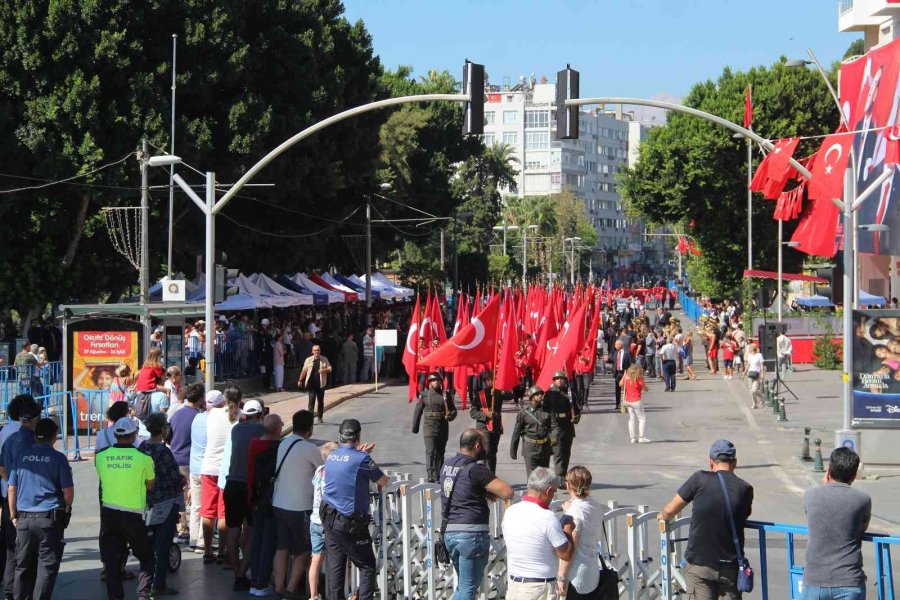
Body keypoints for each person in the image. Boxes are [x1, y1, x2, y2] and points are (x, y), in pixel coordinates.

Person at [658, 440, 754, 600]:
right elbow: (743, 516)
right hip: (729, 566)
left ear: (711, 462)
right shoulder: (745, 488)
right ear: (735, 462)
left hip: (700, 564)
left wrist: (662, 516)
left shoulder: (699, 479)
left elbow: (669, 510)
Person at [439, 429, 514, 600]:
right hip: (471, 534)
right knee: (468, 589)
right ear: (477, 446)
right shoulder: (476, 469)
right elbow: (507, 492)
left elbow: (462, 489)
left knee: (463, 586)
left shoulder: (447, 465)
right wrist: (487, 489)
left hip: (451, 532)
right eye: (484, 445)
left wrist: (482, 490)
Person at [321, 418, 389, 600]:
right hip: (349, 522)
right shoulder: (362, 459)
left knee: (336, 567)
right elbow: (382, 480)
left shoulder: (332, 455)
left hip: (329, 517)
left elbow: (347, 462)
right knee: (367, 566)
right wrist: (366, 458)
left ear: (340, 437)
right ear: (358, 437)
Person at [7, 418, 72, 600]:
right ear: (54, 437)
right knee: (47, 568)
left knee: (23, 566)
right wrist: (66, 509)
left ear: (35, 436)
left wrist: (13, 515)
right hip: (49, 519)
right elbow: (68, 493)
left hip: (24, 520)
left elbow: (12, 488)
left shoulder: (21, 457)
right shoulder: (58, 458)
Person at [96, 417, 156, 600]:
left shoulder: (100, 456)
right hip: (134, 516)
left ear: (115, 435)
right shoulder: (145, 459)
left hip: (109, 516)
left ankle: (115, 597)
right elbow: (151, 486)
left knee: (112, 561)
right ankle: (144, 595)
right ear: (134, 435)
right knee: (146, 556)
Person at [802, 447, 871, 600]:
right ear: (853, 476)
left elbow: (813, 519)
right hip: (849, 581)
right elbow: (863, 527)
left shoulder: (810, 496)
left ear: (829, 470)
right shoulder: (863, 499)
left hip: (815, 580)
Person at [272, 410, 323, 599]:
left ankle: (278, 588)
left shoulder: (283, 443)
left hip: (278, 503)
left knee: (282, 547)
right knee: (302, 551)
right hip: (299, 507)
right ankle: (291, 589)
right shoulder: (310, 449)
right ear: (310, 428)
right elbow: (323, 471)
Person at [501, 467, 574, 600]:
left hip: (514, 586)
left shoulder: (510, 512)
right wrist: (568, 527)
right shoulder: (547, 517)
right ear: (548, 491)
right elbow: (566, 554)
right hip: (539, 587)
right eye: (553, 493)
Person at [139, 413, 185, 596]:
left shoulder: (142, 447)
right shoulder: (163, 451)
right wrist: (181, 480)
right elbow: (171, 478)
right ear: (163, 429)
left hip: (147, 503)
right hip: (165, 503)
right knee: (163, 544)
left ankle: (147, 582)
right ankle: (159, 583)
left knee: (150, 544)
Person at [0, 396, 40, 598]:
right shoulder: (27, 439)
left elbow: (2, 468)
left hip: (7, 495)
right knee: (24, 553)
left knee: (11, 551)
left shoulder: (7, 435)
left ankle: (9, 591)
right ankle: (20, 592)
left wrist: (8, 485)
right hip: (23, 501)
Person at [224, 398, 266, 590]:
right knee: (253, 532)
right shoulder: (260, 430)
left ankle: (237, 575)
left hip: (231, 484)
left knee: (233, 533)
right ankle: (243, 571)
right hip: (250, 487)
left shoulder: (236, 429)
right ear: (259, 415)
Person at [247, 413, 284, 597]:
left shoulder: (254, 444)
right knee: (269, 541)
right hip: (271, 499)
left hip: (255, 496)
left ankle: (255, 580)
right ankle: (262, 582)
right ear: (277, 429)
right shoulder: (279, 447)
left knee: (256, 540)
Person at [557, 466, 605, 600]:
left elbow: (570, 548)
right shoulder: (594, 505)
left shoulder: (575, 511)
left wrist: (561, 576)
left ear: (568, 485)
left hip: (576, 574)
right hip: (593, 569)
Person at [200, 388, 234, 563]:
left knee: (208, 511)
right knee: (223, 513)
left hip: (208, 468)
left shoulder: (208, 416)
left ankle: (207, 550)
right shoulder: (234, 414)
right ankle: (222, 550)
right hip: (225, 470)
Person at [168, 383, 204, 543]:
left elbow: (169, 435)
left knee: (179, 495)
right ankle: (189, 529)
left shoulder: (177, 414)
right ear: (200, 399)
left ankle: (181, 527)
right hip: (189, 460)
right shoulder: (198, 417)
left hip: (175, 457)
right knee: (193, 497)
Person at [412, 372, 458, 483]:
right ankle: (430, 473)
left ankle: (438, 474)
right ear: (429, 383)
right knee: (430, 451)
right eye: (433, 380)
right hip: (429, 426)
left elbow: (453, 411)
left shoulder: (445, 395)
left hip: (442, 426)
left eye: (438, 380)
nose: (436, 382)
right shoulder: (424, 395)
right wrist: (415, 427)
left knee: (440, 452)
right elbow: (417, 411)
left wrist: (450, 415)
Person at [308, 441, 340, 600]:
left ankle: (313, 595)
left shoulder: (319, 470)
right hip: (328, 521)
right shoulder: (333, 474)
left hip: (315, 520)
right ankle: (337, 592)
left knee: (316, 559)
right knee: (337, 559)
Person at [468, 370, 510, 473]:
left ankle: (491, 474)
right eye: (489, 379)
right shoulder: (479, 395)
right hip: (483, 426)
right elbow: (473, 413)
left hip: (496, 426)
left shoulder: (498, 393)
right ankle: (486, 476)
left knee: (493, 452)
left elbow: (511, 395)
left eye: (493, 379)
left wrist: (501, 391)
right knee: (486, 451)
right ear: (485, 381)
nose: (492, 381)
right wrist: (485, 415)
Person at [510, 387, 556, 478]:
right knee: (532, 477)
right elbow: (516, 433)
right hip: (530, 449)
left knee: (544, 477)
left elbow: (554, 428)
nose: (540, 396)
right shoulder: (524, 413)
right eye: (537, 394)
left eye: (541, 394)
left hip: (544, 448)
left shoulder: (548, 411)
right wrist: (513, 450)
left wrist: (554, 442)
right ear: (531, 397)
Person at [542, 371, 579, 484]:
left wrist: (576, 417)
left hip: (567, 426)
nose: (559, 380)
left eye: (561, 378)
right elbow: (544, 411)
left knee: (566, 453)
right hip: (555, 426)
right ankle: (559, 477)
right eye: (557, 379)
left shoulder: (570, 393)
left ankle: (563, 474)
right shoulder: (549, 394)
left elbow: (576, 409)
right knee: (558, 453)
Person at [188, 391, 212, 553]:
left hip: (194, 467)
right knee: (206, 506)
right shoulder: (212, 421)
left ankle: (193, 538)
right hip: (205, 469)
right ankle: (202, 542)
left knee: (196, 506)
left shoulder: (197, 418)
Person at [299, 344, 333, 424]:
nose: (317, 352)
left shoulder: (324, 359)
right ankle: (310, 419)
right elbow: (304, 370)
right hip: (311, 385)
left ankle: (320, 417)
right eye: (315, 350)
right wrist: (300, 380)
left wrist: (324, 370)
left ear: (320, 351)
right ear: (312, 351)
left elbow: (330, 368)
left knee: (320, 402)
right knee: (311, 402)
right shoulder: (308, 360)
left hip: (321, 384)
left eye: (318, 350)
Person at [622, 362, 650, 443]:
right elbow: (646, 389)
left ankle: (632, 438)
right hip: (636, 400)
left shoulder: (626, 377)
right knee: (642, 418)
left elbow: (620, 384)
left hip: (627, 400)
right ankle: (641, 437)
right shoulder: (639, 378)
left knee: (631, 418)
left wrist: (624, 377)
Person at [612, 339, 634, 410]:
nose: (615, 346)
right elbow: (614, 361)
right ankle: (617, 404)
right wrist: (607, 359)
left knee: (626, 389)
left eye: (616, 344)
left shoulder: (627, 353)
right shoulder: (616, 353)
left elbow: (631, 364)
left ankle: (627, 404)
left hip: (625, 373)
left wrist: (629, 373)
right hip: (618, 373)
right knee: (617, 389)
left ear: (620, 345)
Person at [745, 343, 765, 409]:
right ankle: (755, 404)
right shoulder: (749, 356)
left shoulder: (759, 355)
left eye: (750, 348)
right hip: (750, 374)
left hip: (757, 374)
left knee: (754, 390)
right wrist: (744, 373)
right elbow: (748, 365)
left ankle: (762, 398)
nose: (749, 349)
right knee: (751, 391)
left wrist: (762, 374)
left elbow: (762, 365)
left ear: (753, 349)